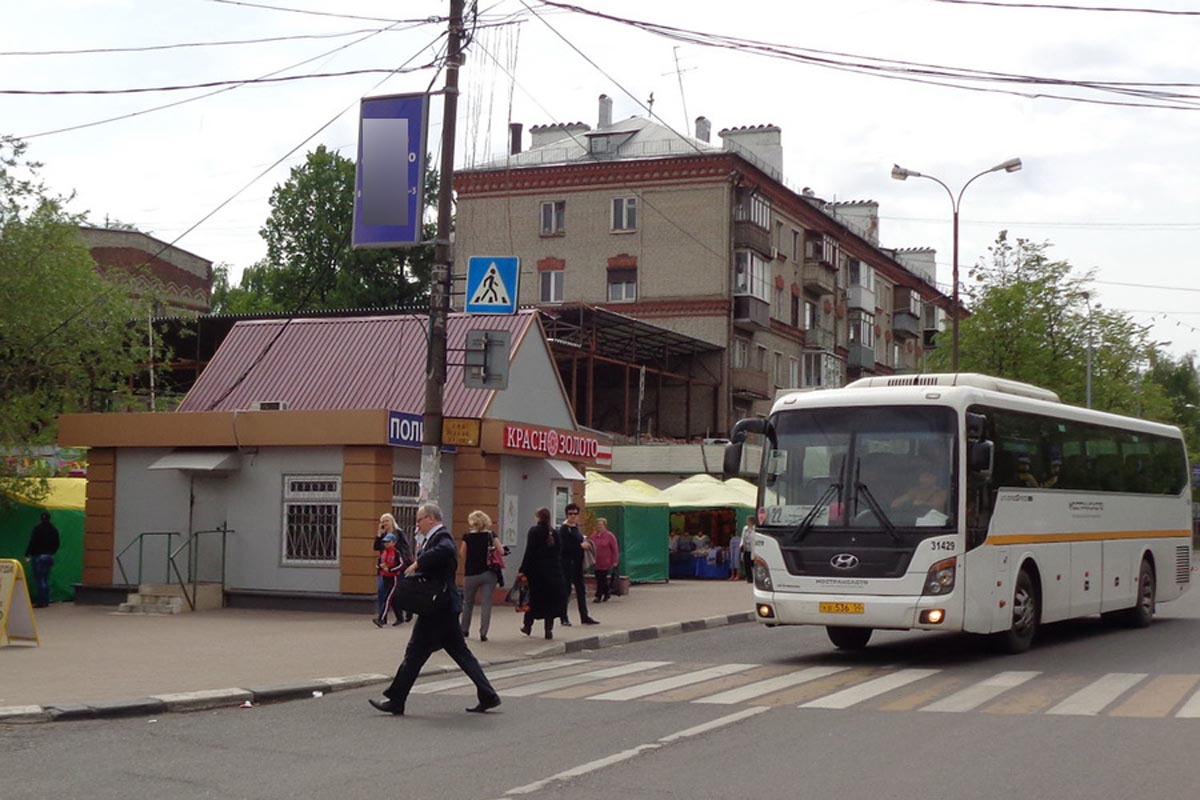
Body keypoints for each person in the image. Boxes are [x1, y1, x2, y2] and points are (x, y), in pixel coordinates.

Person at [369, 502, 500, 716]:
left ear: (431, 519)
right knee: (456, 653)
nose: (417, 525)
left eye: (419, 520)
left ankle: (396, 700)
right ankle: (488, 695)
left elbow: (446, 551)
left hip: (438, 607)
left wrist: (419, 563)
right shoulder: (432, 538)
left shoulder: (442, 536)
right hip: (441, 607)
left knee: (416, 653)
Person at [518, 507, 567, 640]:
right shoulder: (555, 533)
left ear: (538, 517)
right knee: (550, 602)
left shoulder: (534, 531)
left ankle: (527, 626)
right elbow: (559, 552)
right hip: (554, 572)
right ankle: (548, 630)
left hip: (536, 573)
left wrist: (522, 569)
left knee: (533, 600)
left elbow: (529, 552)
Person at [459, 510, 503, 642]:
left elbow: (462, 554)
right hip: (488, 573)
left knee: (467, 602)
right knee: (486, 603)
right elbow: (501, 551)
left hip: (471, 574)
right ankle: (483, 633)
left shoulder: (467, 537)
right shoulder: (491, 535)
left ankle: (464, 630)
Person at [558, 503, 599, 627]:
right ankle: (563, 617)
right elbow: (564, 547)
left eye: (575, 514)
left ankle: (584, 616)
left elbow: (579, 540)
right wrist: (580, 546)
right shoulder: (564, 529)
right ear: (567, 515)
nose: (573, 516)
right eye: (570, 514)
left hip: (577, 564)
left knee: (581, 590)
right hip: (567, 564)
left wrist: (585, 543)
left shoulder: (576, 528)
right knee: (566, 590)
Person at [375, 513, 412, 623]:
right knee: (382, 590)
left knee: (397, 593)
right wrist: (379, 535)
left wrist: (401, 563)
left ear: (392, 521)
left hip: (396, 567)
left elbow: (406, 548)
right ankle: (383, 617)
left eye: (386, 520)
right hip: (384, 568)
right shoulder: (383, 535)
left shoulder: (399, 533)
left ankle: (406, 611)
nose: (384, 523)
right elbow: (376, 547)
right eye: (382, 521)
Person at [26, 512, 60, 608]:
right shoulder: (54, 530)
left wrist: (27, 553)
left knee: (39, 579)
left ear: (41, 519)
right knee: (45, 578)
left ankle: (41, 601)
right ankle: (46, 600)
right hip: (48, 556)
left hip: (38, 556)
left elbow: (32, 542)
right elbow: (57, 543)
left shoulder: (37, 529)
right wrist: (51, 552)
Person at [373, 533, 407, 627]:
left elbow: (401, 565)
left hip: (394, 578)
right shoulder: (384, 552)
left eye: (388, 542)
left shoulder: (396, 552)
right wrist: (380, 567)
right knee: (393, 598)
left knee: (388, 598)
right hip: (385, 577)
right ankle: (400, 618)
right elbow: (379, 562)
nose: (386, 544)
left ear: (394, 542)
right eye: (385, 542)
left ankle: (381, 619)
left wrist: (391, 569)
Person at [589, 517, 619, 603]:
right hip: (596, 561)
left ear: (605, 526)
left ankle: (598, 596)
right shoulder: (594, 535)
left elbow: (615, 549)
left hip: (606, 562)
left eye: (601, 525)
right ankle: (606, 593)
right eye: (598, 525)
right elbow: (590, 544)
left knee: (601, 578)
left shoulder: (610, 536)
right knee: (600, 578)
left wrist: (615, 561)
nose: (599, 526)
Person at [740, 516, 755, 584]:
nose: (746, 521)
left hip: (753, 549)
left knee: (753, 564)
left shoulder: (755, 529)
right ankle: (749, 578)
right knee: (746, 564)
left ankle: (754, 578)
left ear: (751, 521)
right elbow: (742, 537)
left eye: (748, 520)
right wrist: (741, 544)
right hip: (746, 548)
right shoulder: (745, 528)